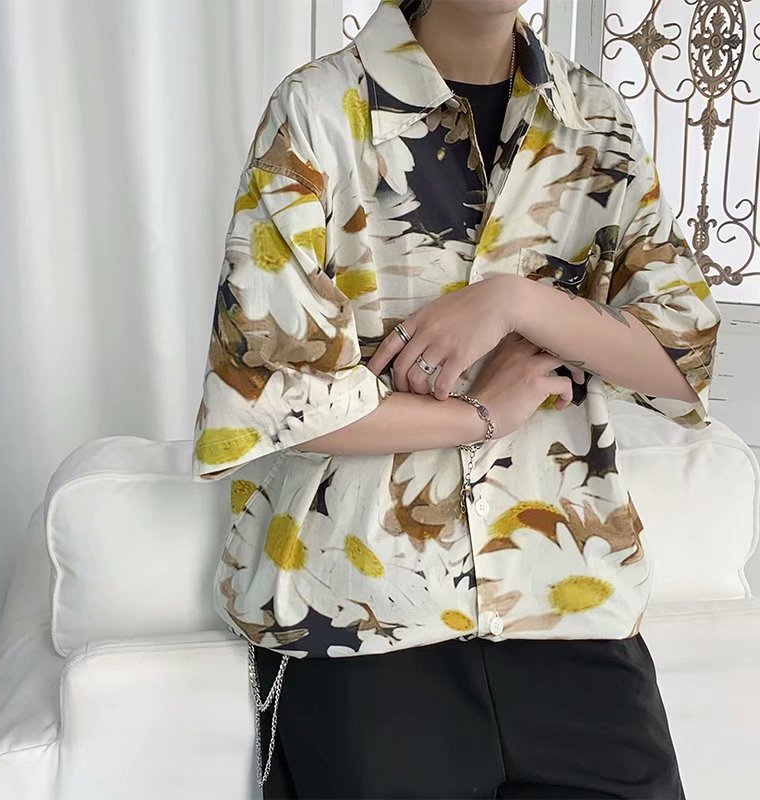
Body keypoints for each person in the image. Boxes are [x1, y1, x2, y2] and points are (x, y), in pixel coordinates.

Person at [192, 0, 720, 797]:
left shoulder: (596, 119)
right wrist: (479, 416)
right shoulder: (319, 110)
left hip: (566, 595)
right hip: (359, 614)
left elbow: (684, 357)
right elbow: (271, 390)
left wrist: (516, 302)